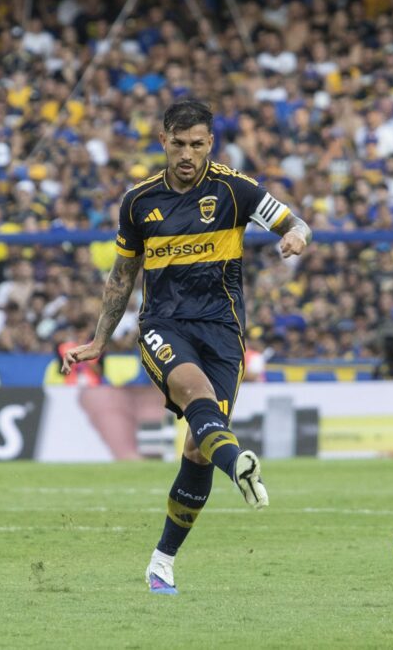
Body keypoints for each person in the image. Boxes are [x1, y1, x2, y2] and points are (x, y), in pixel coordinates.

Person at [61, 99, 312, 595]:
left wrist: (297, 238)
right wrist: (99, 341)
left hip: (223, 334)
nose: (187, 155)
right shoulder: (139, 202)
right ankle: (239, 465)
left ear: (210, 143)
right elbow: (122, 277)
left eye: (197, 145)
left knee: (199, 447)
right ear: (163, 141)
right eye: (178, 144)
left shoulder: (236, 190)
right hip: (164, 325)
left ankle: (162, 562)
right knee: (195, 393)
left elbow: (295, 223)